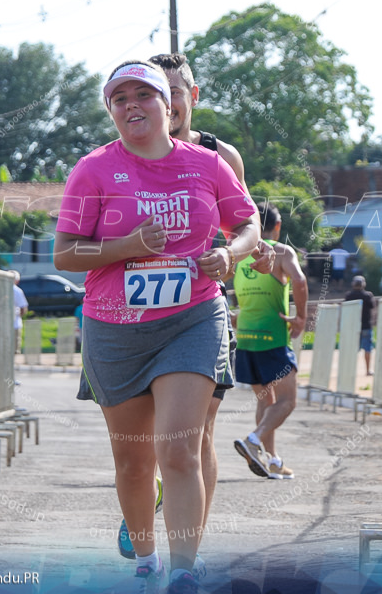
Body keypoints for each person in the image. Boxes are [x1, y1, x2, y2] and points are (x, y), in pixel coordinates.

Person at [55, 59, 259, 594]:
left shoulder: (207, 164)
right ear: (111, 112)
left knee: (178, 450)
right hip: (116, 326)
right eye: (119, 99)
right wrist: (127, 248)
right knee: (133, 460)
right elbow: (65, 254)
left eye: (142, 96)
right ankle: (147, 560)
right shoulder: (93, 170)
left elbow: (247, 221)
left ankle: (185, 570)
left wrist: (231, 253)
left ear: (169, 107)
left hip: (192, 317)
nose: (131, 106)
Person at [116, 53, 272, 568]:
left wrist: (245, 250)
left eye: (176, 90)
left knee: (196, 430)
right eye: (158, 90)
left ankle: (188, 552)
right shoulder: (120, 151)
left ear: (190, 95)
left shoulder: (218, 155)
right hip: (128, 314)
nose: (170, 101)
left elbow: (242, 221)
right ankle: (145, 489)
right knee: (141, 437)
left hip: (200, 309)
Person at [232, 203, 307, 480]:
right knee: (287, 401)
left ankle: (271, 460)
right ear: (277, 227)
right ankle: (254, 441)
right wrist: (300, 318)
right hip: (272, 338)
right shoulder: (280, 251)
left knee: (266, 399)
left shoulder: (239, 253)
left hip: (246, 338)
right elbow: (299, 281)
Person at [344, 275, 377, 376]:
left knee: (353, 349)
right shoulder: (368, 295)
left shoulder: (349, 296)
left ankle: (351, 370)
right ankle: (368, 370)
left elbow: (346, 309)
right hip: (366, 325)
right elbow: (373, 306)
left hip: (353, 326)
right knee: (367, 349)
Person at [12, 271, 28, 355]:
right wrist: (20, 316)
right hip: (15, 322)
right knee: (15, 350)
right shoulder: (17, 291)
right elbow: (23, 307)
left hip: (1, 323)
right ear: (17, 281)